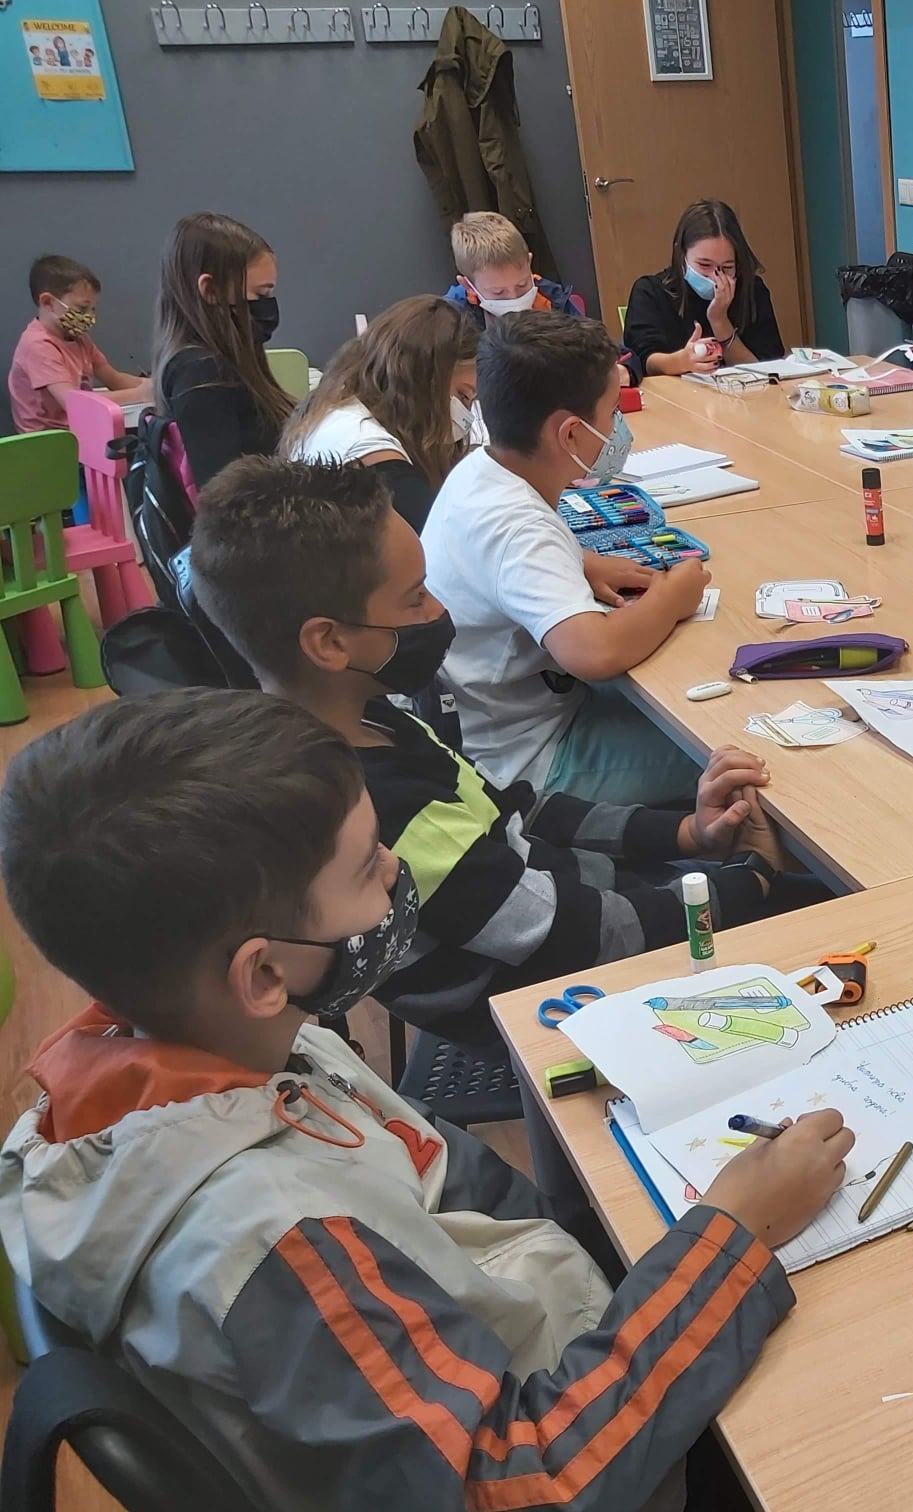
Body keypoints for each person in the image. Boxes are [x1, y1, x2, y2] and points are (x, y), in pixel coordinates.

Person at [0, 688, 852, 1509]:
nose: (399, 870)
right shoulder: (276, 1244)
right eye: (368, 866)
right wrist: (731, 1237)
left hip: (549, 1341)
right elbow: (519, 1485)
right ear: (263, 973)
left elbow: (457, 1185)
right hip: (600, 1453)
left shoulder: (233, 1048)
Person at [190, 455, 789, 1048]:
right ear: (329, 642)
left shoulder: (375, 719)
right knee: (807, 906)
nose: (439, 611)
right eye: (415, 598)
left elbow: (515, 811)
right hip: (538, 1002)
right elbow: (576, 937)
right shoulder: (382, 809)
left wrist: (685, 835)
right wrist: (757, 880)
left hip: (551, 913)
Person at [422, 310, 708, 805]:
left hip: (502, 719)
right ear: (570, 434)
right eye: (612, 412)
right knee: (727, 757)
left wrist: (581, 561)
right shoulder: (520, 528)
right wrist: (672, 597)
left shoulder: (481, 470)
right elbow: (594, 653)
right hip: (527, 760)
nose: (617, 427)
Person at [282, 295, 479, 531]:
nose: (466, 415)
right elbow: (439, 536)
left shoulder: (335, 406)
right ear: (424, 382)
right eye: (463, 395)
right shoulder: (373, 455)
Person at [153, 211, 290, 489]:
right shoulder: (201, 375)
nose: (268, 305)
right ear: (211, 290)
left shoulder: (219, 364)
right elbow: (224, 497)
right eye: (260, 294)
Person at [623, 199, 785, 381]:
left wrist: (719, 320)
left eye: (727, 267)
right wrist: (682, 361)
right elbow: (643, 361)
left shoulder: (752, 290)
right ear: (681, 254)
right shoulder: (650, 292)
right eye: (704, 265)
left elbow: (765, 368)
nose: (715, 277)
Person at [8, 253, 149, 434]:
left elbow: (115, 379)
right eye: (82, 308)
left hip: (79, 430)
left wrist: (157, 386)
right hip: (49, 441)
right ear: (48, 302)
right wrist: (141, 394)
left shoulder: (79, 339)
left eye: (92, 309)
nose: (89, 316)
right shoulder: (38, 345)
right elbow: (73, 403)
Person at [442, 210, 588, 330]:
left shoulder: (552, 298)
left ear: (529, 263)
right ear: (468, 286)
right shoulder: (451, 321)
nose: (515, 299)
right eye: (498, 292)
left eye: (522, 285)